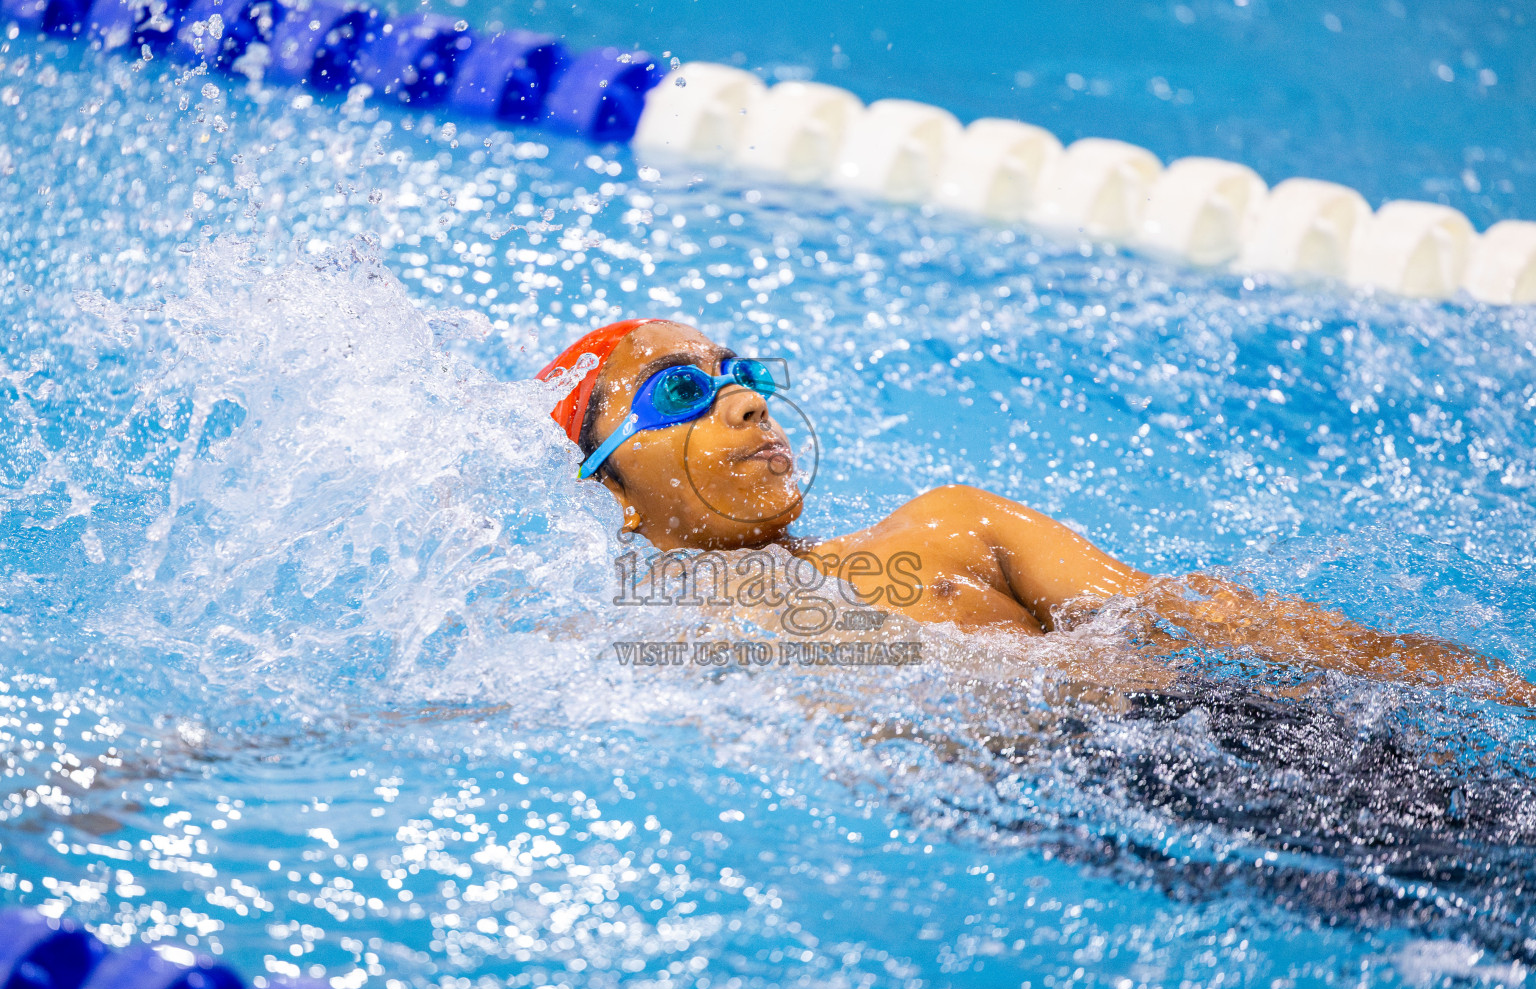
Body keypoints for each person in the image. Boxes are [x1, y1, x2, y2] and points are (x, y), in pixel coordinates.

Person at [537, 318, 1532, 703]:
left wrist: (1479, 677)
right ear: (616, 493)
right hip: (1114, 818)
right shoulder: (667, 641)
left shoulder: (949, 525)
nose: (747, 398)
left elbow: (1192, 614)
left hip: (1239, 730)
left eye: (739, 372)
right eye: (680, 393)